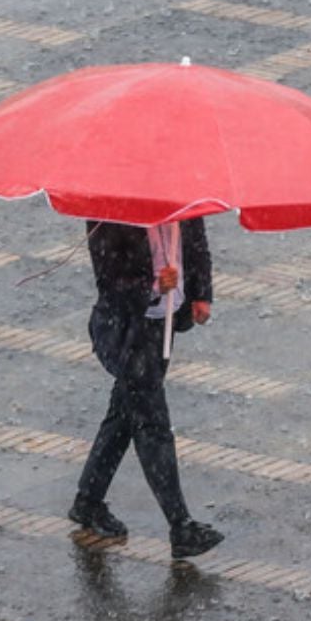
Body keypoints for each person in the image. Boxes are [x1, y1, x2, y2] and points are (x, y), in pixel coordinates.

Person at [69, 217, 224, 559]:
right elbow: (109, 278)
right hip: (127, 331)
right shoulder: (110, 211)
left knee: (123, 416)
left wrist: (200, 294)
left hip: (163, 327)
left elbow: (197, 245)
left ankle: (88, 501)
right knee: (152, 426)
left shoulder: (185, 199)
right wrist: (153, 285)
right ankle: (180, 525)